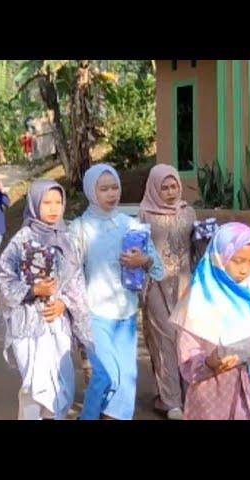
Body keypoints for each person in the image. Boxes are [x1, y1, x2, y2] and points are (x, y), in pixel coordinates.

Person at [70, 163, 163, 420]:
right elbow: (69, 273)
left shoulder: (130, 225)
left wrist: (142, 261)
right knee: (105, 374)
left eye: (115, 188)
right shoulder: (79, 229)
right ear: (91, 191)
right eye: (104, 189)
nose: (112, 194)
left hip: (126, 314)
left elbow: (158, 270)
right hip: (95, 314)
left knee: (125, 380)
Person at [0, 180, 93, 420]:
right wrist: (32, 290)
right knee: (33, 387)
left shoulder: (67, 240)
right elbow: (4, 279)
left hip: (57, 325)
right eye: (47, 202)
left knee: (60, 385)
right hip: (28, 326)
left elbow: (76, 284)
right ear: (35, 203)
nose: (53, 208)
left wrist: (65, 304)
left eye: (58, 202)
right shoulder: (21, 240)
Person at [172, 222, 250, 420]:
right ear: (219, 257)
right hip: (211, 400)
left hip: (249, 397)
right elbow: (188, 362)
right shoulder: (198, 301)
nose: (244, 270)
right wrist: (209, 362)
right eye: (237, 260)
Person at [138, 164, 196, 420]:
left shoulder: (189, 212)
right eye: (165, 187)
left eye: (174, 186)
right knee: (165, 338)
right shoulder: (144, 215)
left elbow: (195, 245)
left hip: (185, 284)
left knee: (186, 339)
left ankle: (188, 396)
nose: (171, 192)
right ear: (154, 187)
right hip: (155, 285)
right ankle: (171, 401)